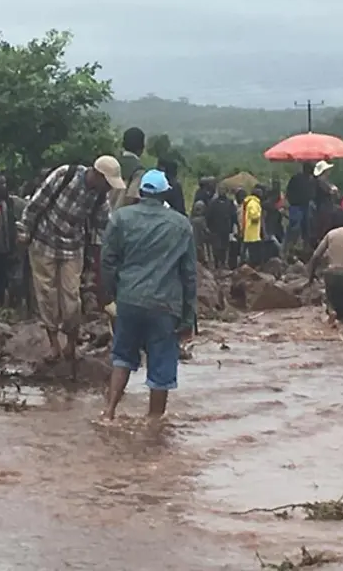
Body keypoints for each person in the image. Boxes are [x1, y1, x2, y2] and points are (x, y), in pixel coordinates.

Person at [100, 169, 196, 422]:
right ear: (165, 193)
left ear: (141, 193)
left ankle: (108, 413)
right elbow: (188, 275)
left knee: (122, 358)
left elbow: (107, 261)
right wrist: (188, 318)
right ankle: (154, 426)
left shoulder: (120, 219)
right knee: (161, 369)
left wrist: (109, 297)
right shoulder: (181, 225)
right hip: (165, 306)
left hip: (129, 300)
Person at [17, 157, 123, 364]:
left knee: (71, 295)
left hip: (73, 246)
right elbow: (36, 204)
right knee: (46, 293)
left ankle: (71, 345)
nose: (109, 187)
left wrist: (110, 252)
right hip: (43, 241)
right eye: (107, 182)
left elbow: (103, 226)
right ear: (97, 175)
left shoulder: (100, 197)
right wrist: (24, 230)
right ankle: (54, 344)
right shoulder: (65, 175)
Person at [0, 173, 26, 307]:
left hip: (13, 249)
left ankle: (16, 308)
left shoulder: (14, 203)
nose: (3, 187)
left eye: (4, 183)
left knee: (17, 282)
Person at [285, 162, 315, 254]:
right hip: (296, 206)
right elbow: (288, 192)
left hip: (304, 206)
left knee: (305, 229)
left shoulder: (310, 180)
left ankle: (304, 249)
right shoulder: (297, 179)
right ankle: (289, 249)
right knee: (295, 228)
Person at [206, 188, 237, 270]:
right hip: (219, 229)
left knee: (221, 246)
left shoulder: (214, 203)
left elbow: (234, 216)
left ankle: (220, 263)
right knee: (220, 247)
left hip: (222, 229)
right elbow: (208, 216)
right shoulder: (225, 203)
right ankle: (219, 263)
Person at [116, 127, 146, 209]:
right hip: (121, 216)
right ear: (142, 148)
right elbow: (132, 197)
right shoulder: (138, 170)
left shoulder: (113, 163)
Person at [242, 186, 264, 266]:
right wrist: (259, 215)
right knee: (253, 250)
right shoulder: (253, 203)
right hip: (252, 231)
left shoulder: (251, 202)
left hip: (251, 231)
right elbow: (254, 215)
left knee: (249, 249)